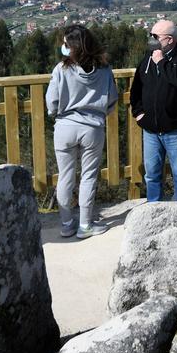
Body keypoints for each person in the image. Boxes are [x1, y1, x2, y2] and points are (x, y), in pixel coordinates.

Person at [46, 24, 118, 239]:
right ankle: (85, 225)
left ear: (70, 46)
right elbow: (112, 99)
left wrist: (57, 114)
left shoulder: (62, 69)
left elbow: (52, 101)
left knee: (65, 178)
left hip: (65, 126)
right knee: (88, 177)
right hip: (93, 128)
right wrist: (99, 114)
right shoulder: (104, 69)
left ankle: (67, 224)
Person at [131, 19, 177, 201]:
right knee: (152, 174)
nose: (151, 40)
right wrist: (138, 113)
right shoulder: (148, 58)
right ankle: (154, 207)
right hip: (150, 129)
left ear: (169, 39)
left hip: (176, 129)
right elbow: (136, 87)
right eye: (150, 35)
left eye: (155, 36)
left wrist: (161, 62)